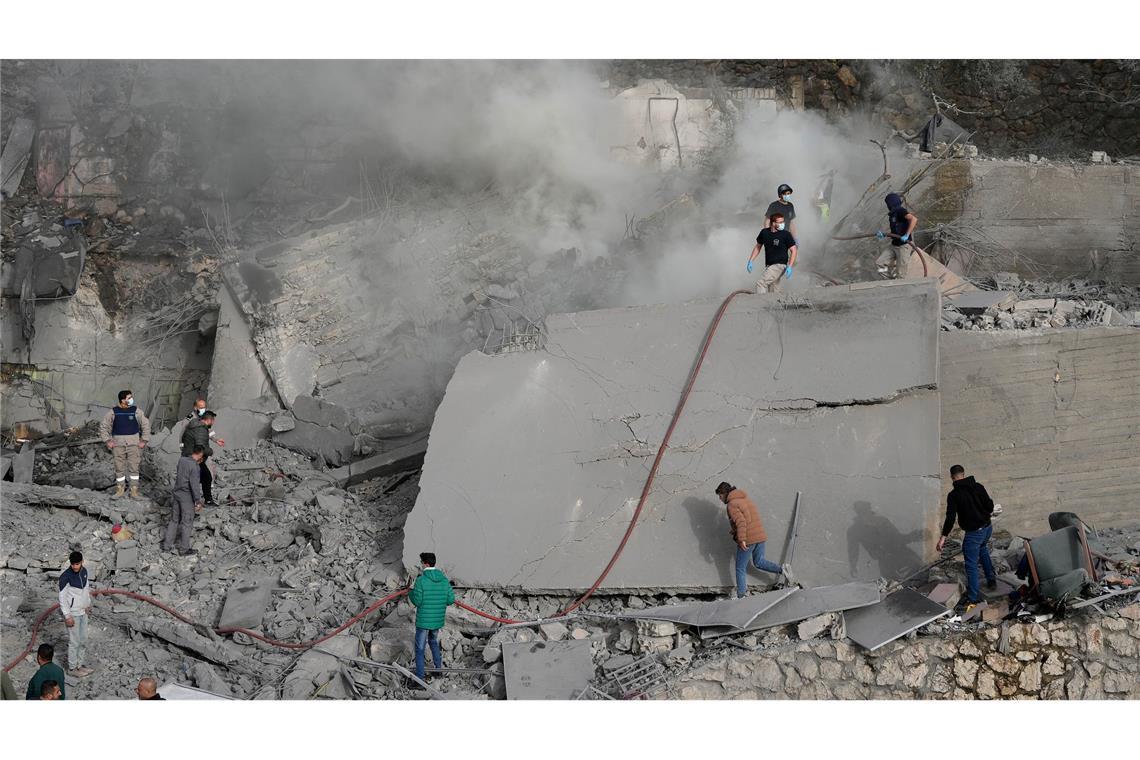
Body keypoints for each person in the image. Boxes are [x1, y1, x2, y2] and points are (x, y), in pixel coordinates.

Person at [937, 465, 997, 613]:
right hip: (987, 528)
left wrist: (943, 537)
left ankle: (973, 597)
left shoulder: (954, 495)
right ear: (963, 474)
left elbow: (951, 517)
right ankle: (991, 580)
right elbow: (990, 506)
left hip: (974, 533)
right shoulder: (978, 487)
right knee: (983, 550)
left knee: (971, 565)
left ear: (952, 477)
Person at [716, 482, 790, 598]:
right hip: (760, 536)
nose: (720, 499)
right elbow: (748, 519)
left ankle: (742, 595)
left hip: (749, 538)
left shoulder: (731, 504)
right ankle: (783, 570)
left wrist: (742, 539)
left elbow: (741, 522)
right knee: (759, 561)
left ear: (724, 493)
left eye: (720, 496)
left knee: (740, 568)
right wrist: (735, 530)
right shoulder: (745, 499)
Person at [408, 552, 455, 684]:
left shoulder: (421, 580)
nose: (420, 565)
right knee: (433, 642)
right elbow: (451, 600)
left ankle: (420, 679)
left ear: (426, 564)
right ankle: (438, 670)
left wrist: (411, 592)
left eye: (421, 562)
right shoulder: (444, 580)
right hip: (437, 621)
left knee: (420, 648)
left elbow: (417, 601)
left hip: (424, 621)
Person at [99, 389, 151, 499]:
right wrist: (107, 440)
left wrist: (144, 440)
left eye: (131, 397)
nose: (131, 399)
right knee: (119, 468)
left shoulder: (136, 411)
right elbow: (104, 426)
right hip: (118, 445)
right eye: (129, 398)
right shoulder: (113, 412)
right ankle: (120, 490)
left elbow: (145, 424)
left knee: (134, 468)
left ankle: (134, 491)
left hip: (134, 444)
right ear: (123, 400)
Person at [164, 445, 205, 556]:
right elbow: (194, 485)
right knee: (187, 523)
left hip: (177, 494)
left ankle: (166, 546)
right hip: (187, 497)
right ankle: (184, 549)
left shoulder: (182, 460)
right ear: (200, 454)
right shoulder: (195, 466)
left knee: (174, 520)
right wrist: (197, 501)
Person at [59, 551, 94, 676]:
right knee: (74, 641)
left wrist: (87, 604)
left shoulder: (84, 572)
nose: (74, 566)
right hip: (73, 613)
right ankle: (72, 668)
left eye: (77, 564)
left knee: (83, 640)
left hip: (83, 611)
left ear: (82, 562)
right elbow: (62, 598)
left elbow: (86, 589)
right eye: (73, 564)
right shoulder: (65, 577)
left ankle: (80, 664)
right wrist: (67, 616)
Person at [747, 211, 798, 293]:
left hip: (779, 265)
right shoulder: (764, 233)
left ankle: (761, 301)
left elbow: (794, 250)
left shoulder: (786, 234)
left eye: (783, 222)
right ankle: (774, 301)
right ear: (773, 223)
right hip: (769, 265)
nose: (783, 224)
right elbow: (758, 247)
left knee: (761, 283)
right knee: (774, 288)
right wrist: (751, 261)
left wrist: (790, 266)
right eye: (780, 222)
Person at [182, 405, 222, 506]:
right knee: (198, 479)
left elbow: (208, 435)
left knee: (206, 477)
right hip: (194, 459)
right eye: (213, 421)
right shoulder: (201, 429)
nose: (213, 423)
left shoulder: (197, 425)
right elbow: (201, 446)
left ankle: (206, 500)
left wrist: (216, 440)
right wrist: (211, 451)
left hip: (192, 457)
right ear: (209, 420)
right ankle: (191, 504)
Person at [876, 192, 918, 279]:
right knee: (879, 263)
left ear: (891, 203)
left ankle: (899, 283)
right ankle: (889, 280)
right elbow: (895, 231)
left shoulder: (900, 211)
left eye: (888, 203)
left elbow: (914, 219)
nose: (887, 206)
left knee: (901, 273)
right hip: (894, 245)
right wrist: (884, 235)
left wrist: (907, 235)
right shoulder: (892, 215)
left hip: (904, 246)